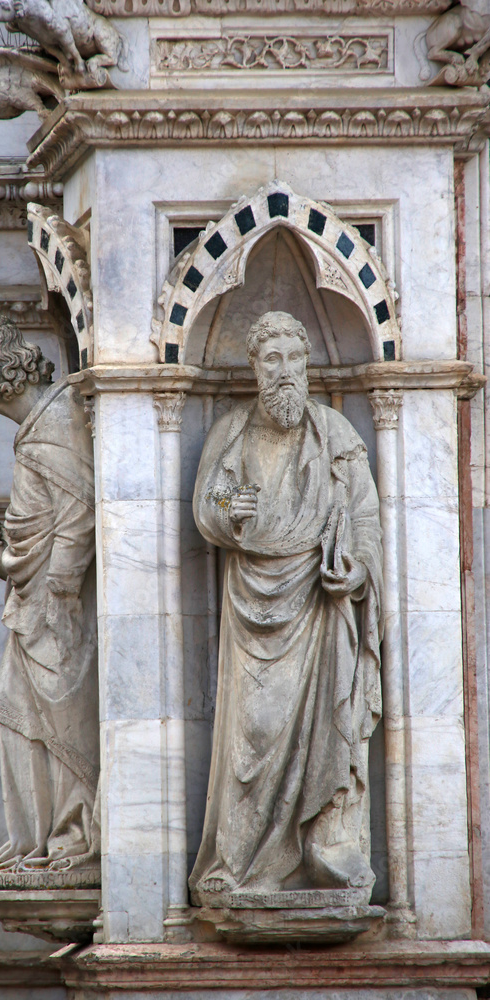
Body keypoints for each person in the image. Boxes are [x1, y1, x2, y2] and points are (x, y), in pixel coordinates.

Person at [189, 311, 383, 902]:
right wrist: (231, 513)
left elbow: (367, 517)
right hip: (254, 610)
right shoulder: (232, 433)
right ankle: (245, 861)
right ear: (253, 366)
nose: (285, 373)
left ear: (307, 365)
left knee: (331, 721)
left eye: (294, 360)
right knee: (253, 733)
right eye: (272, 360)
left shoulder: (335, 435)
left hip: (320, 609)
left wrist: (356, 570)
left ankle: (327, 849)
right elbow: (209, 503)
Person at [0, 311, 99, 875]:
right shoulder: (34, 427)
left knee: (64, 713)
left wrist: (60, 584)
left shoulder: (56, 420)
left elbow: (81, 510)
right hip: (37, 603)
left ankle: (74, 836)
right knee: (12, 703)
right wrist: (5, 549)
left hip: (60, 607)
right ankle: (37, 836)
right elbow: (46, 519)